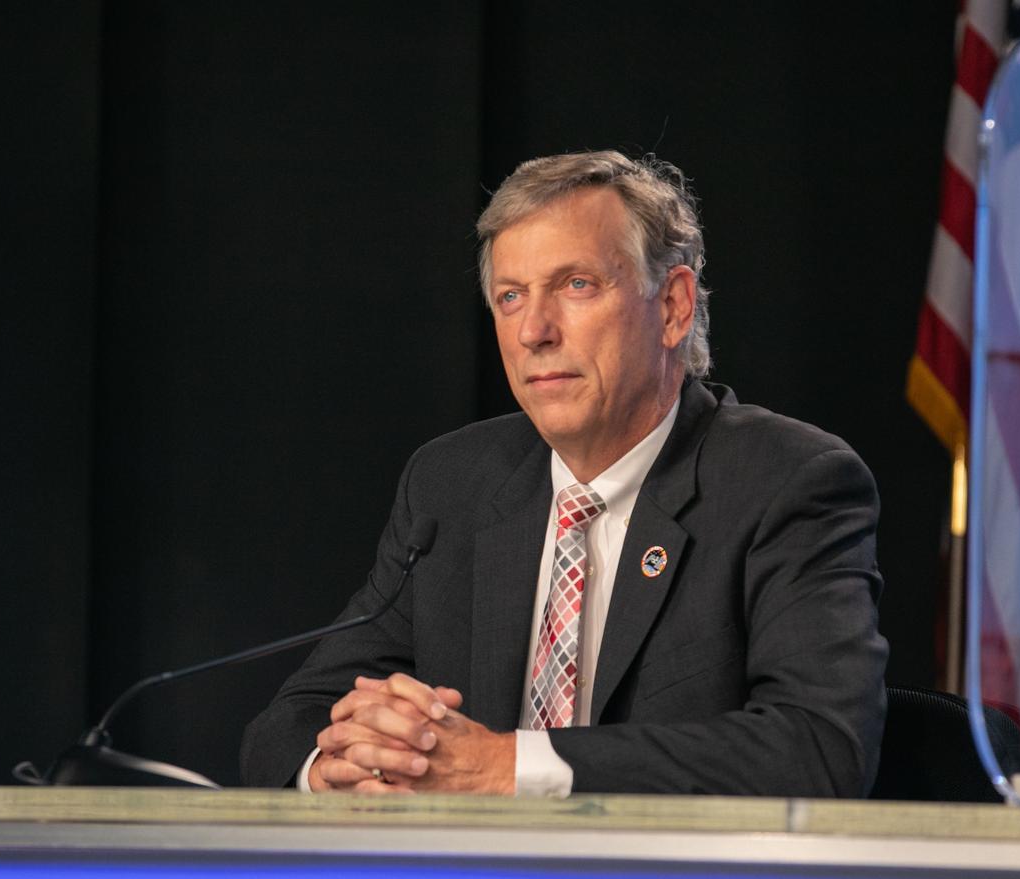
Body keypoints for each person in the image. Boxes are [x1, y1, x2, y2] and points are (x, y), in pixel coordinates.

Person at [240, 150, 888, 797]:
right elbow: (287, 724)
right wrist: (336, 766)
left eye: (576, 284)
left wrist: (505, 767)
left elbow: (821, 749)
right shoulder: (453, 484)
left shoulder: (786, 481)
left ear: (672, 307)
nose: (533, 331)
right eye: (510, 297)